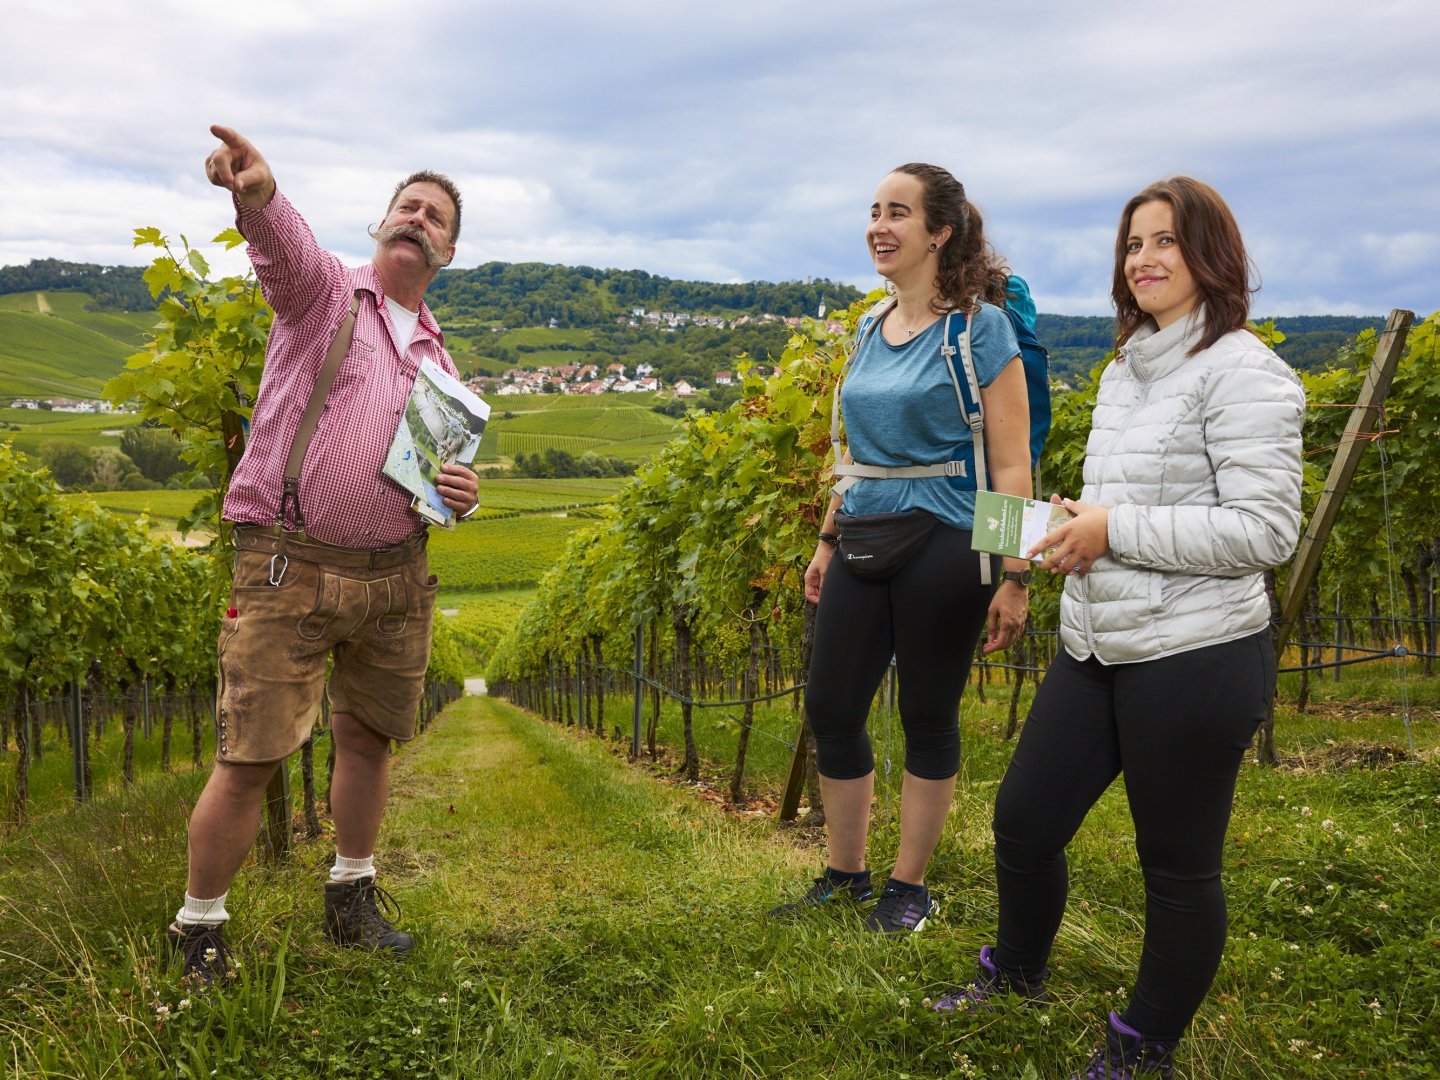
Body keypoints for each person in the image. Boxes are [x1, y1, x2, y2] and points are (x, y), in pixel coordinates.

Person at [934, 178, 1305, 1080]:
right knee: (1023, 822)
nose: (1144, 258)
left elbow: (1266, 531)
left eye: (1167, 240)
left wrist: (1114, 529)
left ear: (1212, 255)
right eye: (1133, 242)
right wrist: (1076, 522)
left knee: (1175, 864)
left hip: (1197, 653)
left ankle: (1145, 1043)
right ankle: (1018, 973)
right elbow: (1140, 504)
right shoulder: (1122, 369)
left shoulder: (1246, 371)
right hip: (1099, 642)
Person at [166, 124, 480, 985]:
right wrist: (258, 197)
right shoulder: (326, 296)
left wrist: (462, 493)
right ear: (383, 223)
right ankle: (198, 930)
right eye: (407, 206)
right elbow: (284, 252)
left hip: (397, 577)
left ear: (450, 250)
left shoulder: (442, 360)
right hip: (289, 564)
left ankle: (351, 894)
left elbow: (440, 471)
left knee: (369, 741)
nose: (418, 219)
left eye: (436, 217)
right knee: (254, 754)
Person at [770, 163, 1033, 933]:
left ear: (940, 231)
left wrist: (1014, 574)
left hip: (950, 535)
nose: (879, 226)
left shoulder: (980, 327)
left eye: (899, 213)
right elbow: (851, 451)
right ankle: (843, 875)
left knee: (926, 711)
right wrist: (825, 539)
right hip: (863, 530)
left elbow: (1014, 462)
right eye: (874, 211)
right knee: (832, 704)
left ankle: (907, 887)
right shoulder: (867, 328)